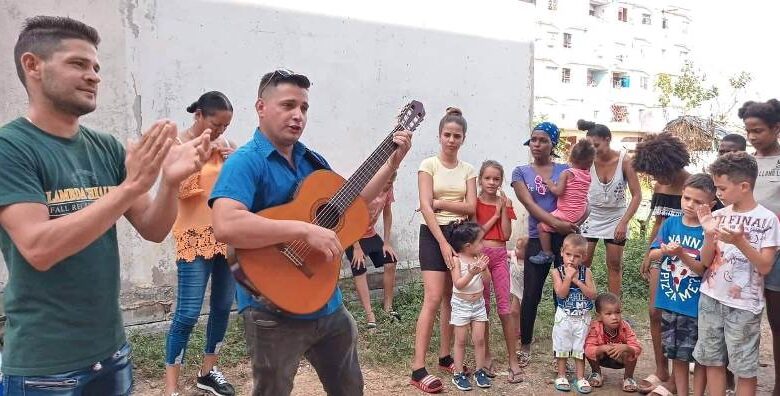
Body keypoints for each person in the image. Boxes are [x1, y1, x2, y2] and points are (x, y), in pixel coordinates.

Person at [0, 16, 211, 395]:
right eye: (78, 64)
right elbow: (38, 248)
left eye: (96, 67)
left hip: (112, 355)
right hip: (45, 369)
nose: (94, 76)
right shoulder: (11, 148)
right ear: (32, 65)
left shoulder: (106, 146)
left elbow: (152, 228)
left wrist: (170, 183)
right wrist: (130, 187)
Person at [209, 69, 411, 396]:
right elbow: (226, 224)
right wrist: (303, 230)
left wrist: (391, 164)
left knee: (349, 389)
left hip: (327, 303)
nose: (297, 115)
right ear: (261, 107)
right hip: (271, 309)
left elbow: (352, 203)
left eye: (303, 107)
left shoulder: (311, 160)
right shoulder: (245, 162)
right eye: (288, 105)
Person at [164, 92, 237, 396]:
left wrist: (233, 160)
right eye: (216, 124)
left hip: (226, 235)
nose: (221, 132)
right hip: (193, 239)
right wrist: (203, 155)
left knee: (222, 307)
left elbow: (235, 188)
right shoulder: (177, 146)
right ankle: (171, 387)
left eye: (225, 126)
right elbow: (179, 190)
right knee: (188, 313)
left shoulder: (226, 145)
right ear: (199, 116)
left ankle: (208, 372)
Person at [695, 152, 780, 396]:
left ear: (744, 186)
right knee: (712, 360)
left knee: (744, 367)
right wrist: (709, 234)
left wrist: (740, 241)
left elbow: (764, 267)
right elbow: (706, 261)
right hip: (710, 297)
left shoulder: (768, 220)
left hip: (744, 305)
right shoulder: (719, 215)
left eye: (721, 188)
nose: (717, 193)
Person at [410, 107, 476, 393]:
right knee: (433, 298)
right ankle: (417, 368)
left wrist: (441, 203)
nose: (451, 139)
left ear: (463, 139)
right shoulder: (428, 165)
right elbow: (425, 206)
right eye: (447, 134)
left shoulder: (468, 170)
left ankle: (445, 356)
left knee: (453, 297)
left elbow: (471, 207)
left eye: (456, 136)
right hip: (434, 235)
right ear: (439, 136)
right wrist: (442, 242)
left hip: (460, 234)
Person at [511, 121, 579, 368]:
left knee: (562, 293)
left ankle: (562, 350)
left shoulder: (566, 170)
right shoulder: (520, 172)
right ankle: (525, 345)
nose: (536, 145)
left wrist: (572, 224)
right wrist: (555, 223)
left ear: (553, 144)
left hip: (565, 240)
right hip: (538, 239)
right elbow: (530, 205)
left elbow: (580, 198)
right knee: (531, 294)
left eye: (543, 140)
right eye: (533, 140)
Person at [646, 174, 717, 396]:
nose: (690, 205)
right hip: (669, 301)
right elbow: (654, 253)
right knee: (676, 355)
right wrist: (664, 251)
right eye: (687, 198)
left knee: (696, 356)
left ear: (711, 205)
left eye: (698, 202)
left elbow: (700, 268)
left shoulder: (708, 231)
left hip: (694, 306)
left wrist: (681, 254)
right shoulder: (670, 223)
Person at [631, 131, 692, 393]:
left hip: (691, 260)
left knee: (684, 320)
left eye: (659, 172)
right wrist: (648, 253)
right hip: (662, 256)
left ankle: (681, 380)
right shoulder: (660, 186)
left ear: (672, 163)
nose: (656, 179)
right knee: (655, 312)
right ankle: (661, 369)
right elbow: (659, 221)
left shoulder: (696, 184)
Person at [738, 99, 780, 396]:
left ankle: (778, 385)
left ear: (776, 128)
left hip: (776, 251)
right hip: (741, 250)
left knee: (777, 322)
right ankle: (735, 381)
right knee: (741, 316)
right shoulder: (747, 163)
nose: (752, 136)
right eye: (748, 130)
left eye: (758, 130)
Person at [578, 120, 642, 296]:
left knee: (614, 263)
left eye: (596, 145)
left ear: (608, 139)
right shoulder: (587, 160)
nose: (593, 149)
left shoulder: (624, 161)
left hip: (616, 216)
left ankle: (613, 306)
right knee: (583, 261)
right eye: (589, 145)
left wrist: (624, 222)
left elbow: (637, 195)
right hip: (590, 214)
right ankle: (580, 303)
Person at [474, 160, 523, 382]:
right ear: (480, 180)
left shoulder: (506, 201)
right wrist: (495, 213)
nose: (492, 182)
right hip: (480, 258)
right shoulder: (473, 202)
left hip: (500, 256)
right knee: (483, 308)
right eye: (487, 178)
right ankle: (486, 356)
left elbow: (504, 234)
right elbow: (477, 234)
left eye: (496, 179)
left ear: (501, 181)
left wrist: (503, 209)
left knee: (505, 308)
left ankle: (513, 359)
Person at [344, 171, 399, 328]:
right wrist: (356, 247)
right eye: (385, 183)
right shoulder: (366, 189)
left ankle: (388, 308)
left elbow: (387, 214)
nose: (387, 186)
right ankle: (370, 316)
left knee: (390, 260)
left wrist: (387, 243)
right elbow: (349, 216)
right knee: (359, 266)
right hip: (352, 234)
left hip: (370, 233)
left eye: (390, 184)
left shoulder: (388, 189)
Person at [529, 139, 595, 265]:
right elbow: (573, 190)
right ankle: (575, 233)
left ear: (572, 158)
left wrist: (549, 183)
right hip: (580, 211)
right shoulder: (587, 176)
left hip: (566, 212)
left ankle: (547, 253)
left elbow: (558, 192)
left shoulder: (566, 173)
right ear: (590, 162)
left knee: (541, 227)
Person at [448, 221, 492, 391]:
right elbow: (458, 284)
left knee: (479, 339)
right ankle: (458, 373)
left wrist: (484, 269)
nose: (483, 244)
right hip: (461, 305)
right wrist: (472, 273)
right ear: (468, 246)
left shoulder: (478, 258)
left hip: (478, 304)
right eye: (480, 241)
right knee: (460, 340)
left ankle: (480, 371)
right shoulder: (457, 260)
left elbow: (487, 281)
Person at [550, 234, 597, 394]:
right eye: (568, 254)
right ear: (562, 252)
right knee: (562, 345)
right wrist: (568, 278)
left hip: (582, 318)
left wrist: (577, 281)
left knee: (580, 346)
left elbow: (592, 294)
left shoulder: (586, 272)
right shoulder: (557, 272)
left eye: (576, 256)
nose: (571, 259)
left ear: (583, 257)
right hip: (564, 316)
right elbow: (561, 294)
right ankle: (561, 375)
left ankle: (580, 377)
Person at [584, 292, 642, 393]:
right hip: (602, 358)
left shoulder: (625, 327)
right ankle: (596, 373)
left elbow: (637, 348)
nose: (614, 317)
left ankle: (628, 378)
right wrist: (602, 348)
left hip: (620, 359)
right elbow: (588, 349)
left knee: (631, 351)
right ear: (599, 316)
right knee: (589, 347)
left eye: (617, 312)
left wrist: (625, 348)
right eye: (609, 314)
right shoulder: (595, 327)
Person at [509, 237, 527, 357]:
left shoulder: (529, 263)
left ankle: (523, 332)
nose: (516, 249)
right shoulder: (513, 256)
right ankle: (515, 332)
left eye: (519, 248)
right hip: (515, 291)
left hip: (524, 293)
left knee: (524, 313)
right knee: (514, 311)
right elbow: (504, 253)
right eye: (516, 246)